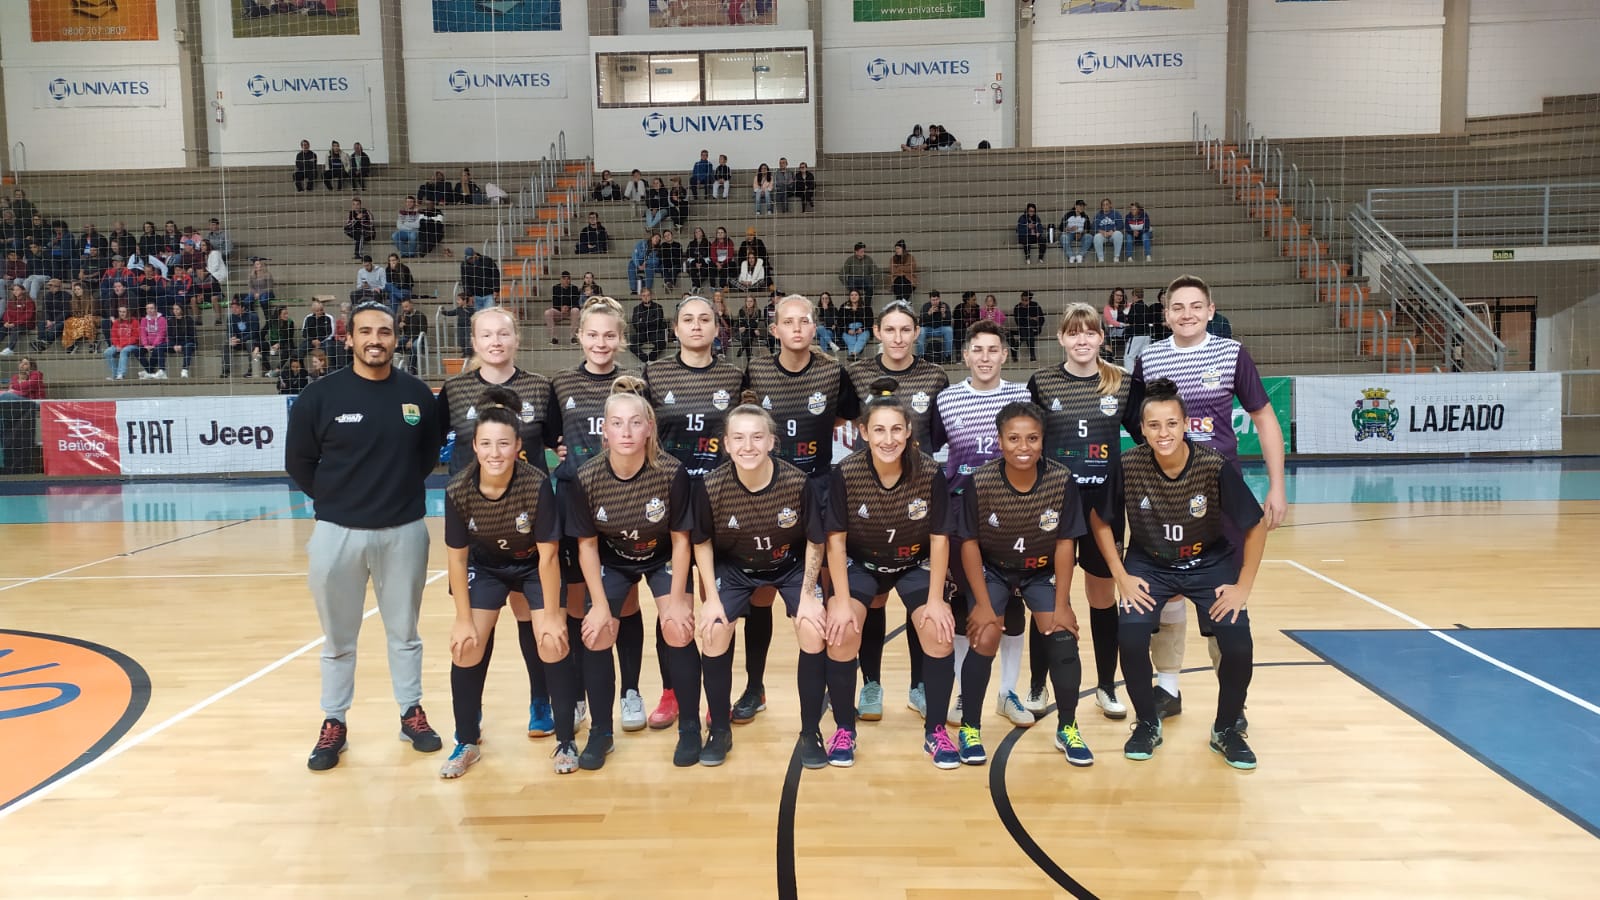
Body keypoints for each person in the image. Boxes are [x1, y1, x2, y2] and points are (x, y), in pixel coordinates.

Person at [286, 300, 445, 772]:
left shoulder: (417, 394)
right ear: (349, 338)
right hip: (337, 534)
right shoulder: (320, 396)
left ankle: (411, 712)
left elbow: (427, 455)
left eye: (384, 332)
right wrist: (339, 502)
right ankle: (334, 721)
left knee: (405, 632)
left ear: (395, 338)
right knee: (338, 638)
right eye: (366, 332)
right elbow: (299, 462)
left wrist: (392, 495)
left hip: (404, 531)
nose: (375, 340)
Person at [1128, 275, 1287, 726]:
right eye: (1178, 307)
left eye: (1196, 306)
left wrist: (1277, 485)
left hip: (1219, 490)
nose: (1187, 314)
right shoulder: (1150, 358)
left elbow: (1264, 418)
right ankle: (1167, 688)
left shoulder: (1231, 353)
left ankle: (1232, 704)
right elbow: (1137, 421)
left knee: (1223, 594)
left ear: (1211, 311)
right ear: (1165, 314)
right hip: (1164, 490)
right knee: (1168, 589)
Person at [1089, 378, 1265, 768]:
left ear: (1185, 424)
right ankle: (1146, 723)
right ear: (1141, 428)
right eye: (1153, 425)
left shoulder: (1212, 465)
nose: (1163, 433)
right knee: (1131, 638)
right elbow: (1099, 520)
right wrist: (1120, 575)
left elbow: (1255, 525)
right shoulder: (1129, 464)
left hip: (1208, 563)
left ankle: (1226, 729)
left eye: (1171, 423)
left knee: (1238, 644)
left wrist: (1242, 587)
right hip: (1149, 563)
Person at [732, 295, 861, 725]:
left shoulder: (832, 372)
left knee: (822, 587)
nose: (797, 328)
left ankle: (831, 688)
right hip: (766, 490)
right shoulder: (756, 371)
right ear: (775, 330)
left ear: (814, 326)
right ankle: (754, 687)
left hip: (817, 485)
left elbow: (847, 418)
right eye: (788, 322)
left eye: (804, 321)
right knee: (761, 593)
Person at [437, 382, 569, 778]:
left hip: (532, 565)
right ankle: (466, 741)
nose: (495, 453)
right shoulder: (459, 489)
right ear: (474, 446)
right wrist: (462, 619)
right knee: (465, 646)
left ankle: (565, 740)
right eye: (486, 444)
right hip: (487, 566)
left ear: (517, 446)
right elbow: (457, 559)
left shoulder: (535, 483)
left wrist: (553, 616)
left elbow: (549, 556)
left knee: (551, 641)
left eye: (503, 444)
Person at [565, 378, 696, 769]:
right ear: (604, 431)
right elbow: (587, 546)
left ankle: (690, 728)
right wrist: (599, 605)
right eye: (617, 423)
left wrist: (677, 600)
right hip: (614, 558)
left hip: (662, 555)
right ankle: (601, 733)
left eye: (635, 423)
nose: (626, 431)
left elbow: (682, 541)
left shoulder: (671, 472)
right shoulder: (586, 477)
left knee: (678, 628)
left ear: (649, 428)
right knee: (597, 632)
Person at [952, 400, 1091, 767]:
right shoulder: (980, 481)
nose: (1023, 446)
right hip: (994, 569)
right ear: (999, 441)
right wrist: (982, 605)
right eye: (1013, 438)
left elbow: (1065, 545)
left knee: (1062, 636)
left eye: (1032, 438)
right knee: (985, 634)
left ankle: (1068, 727)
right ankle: (970, 728)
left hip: (1040, 571)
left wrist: (1062, 605)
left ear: (1043, 440)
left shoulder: (1061, 479)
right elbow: (969, 544)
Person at [691, 404, 828, 767]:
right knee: (714, 630)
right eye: (738, 438)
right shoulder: (710, 486)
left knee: (812, 627)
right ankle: (719, 730)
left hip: (789, 565)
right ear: (726, 444)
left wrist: (809, 595)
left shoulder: (797, 482)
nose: (747, 446)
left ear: (771, 442)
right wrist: (711, 599)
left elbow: (816, 541)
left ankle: (810, 732)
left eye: (756, 437)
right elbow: (701, 542)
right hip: (735, 567)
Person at [820, 396, 954, 768]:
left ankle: (936, 732)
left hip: (913, 562)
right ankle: (844, 729)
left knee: (938, 631)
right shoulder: (846, 472)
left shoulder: (928, 471)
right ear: (864, 432)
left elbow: (940, 539)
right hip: (862, 563)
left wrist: (936, 600)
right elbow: (836, 540)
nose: (888, 439)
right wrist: (840, 601)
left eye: (896, 429)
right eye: (879, 430)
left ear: (909, 431)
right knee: (842, 631)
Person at [642, 296, 746, 729]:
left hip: (719, 502)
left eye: (705, 319)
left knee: (717, 603)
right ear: (676, 328)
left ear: (717, 328)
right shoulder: (654, 374)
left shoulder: (733, 377)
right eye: (688, 319)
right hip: (668, 501)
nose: (697, 325)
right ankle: (672, 692)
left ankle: (716, 696)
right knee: (674, 602)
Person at [1026, 303, 1133, 724]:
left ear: (1102, 337)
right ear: (1061, 338)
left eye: (1089, 332)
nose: (1082, 340)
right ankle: (1038, 684)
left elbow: (1151, 436)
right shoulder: (1043, 382)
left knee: (1102, 597)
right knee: (1047, 595)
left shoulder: (1121, 382)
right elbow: (1028, 440)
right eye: (1073, 333)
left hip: (1104, 507)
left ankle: (1106, 686)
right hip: (1053, 505)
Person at [845, 303, 950, 719]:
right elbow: (845, 422)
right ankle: (871, 684)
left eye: (906, 329)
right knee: (872, 599)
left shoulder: (934, 376)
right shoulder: (856, 373)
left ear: (917, 332)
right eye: (890, 329)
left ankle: (919, 685)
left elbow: (937, 434)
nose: (898, 337)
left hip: (917, 498)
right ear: (877, 332)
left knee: (916, 600)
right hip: (871, 496)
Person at [931, 320, 1034, 735]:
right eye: (978, 350)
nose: (985, 357)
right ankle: (961, 691)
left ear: (1004, 355)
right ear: (966, 355)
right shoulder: (947, 399)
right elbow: (932, 453)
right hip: (961, 514)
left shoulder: (1022, 396)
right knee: (962, 602)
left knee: (1012, 603)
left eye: (993, 350)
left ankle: (1008, 691)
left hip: (1013, 513)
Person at [549, 297, 637, 734]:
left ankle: (631, 692)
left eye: (609, 335)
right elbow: (548, 435)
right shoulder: (561, 383)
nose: (600, 343)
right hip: (574, 500)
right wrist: (559, 448)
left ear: (620, 339)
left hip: (624, 502)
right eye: (592, 334)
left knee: (627, 599)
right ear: (579, 336)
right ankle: (582, 694)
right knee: (577, 600)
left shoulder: (633, 385)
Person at [222, 298, 263, 378]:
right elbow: (229, 331)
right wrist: (232, 338)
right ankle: (226, 371)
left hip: (250, 341)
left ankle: (251, 370)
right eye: (232, 308)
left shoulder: (253, 316)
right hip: (237, 342)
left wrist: (241, 339)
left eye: (236, 307)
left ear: (243, 308)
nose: (234, 310)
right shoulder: (230, 318)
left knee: (249, 343)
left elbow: (254, 333)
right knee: (226, 344)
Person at [630, 289, 668, 362]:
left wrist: (642, 320)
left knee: (661, 343)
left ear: (651, 296)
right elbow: (635, 323)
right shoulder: (637, 308)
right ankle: (646, 360)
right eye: (643, 295)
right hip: (642, 333)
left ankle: (650, 359)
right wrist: (651, 320)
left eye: (648, 295)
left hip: (654, 333)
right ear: (640, 297)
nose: (646, 297)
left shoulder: (658, 307)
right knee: (632, 345)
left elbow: (658, 322)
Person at [546, 271, 583, 345]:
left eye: (568, 279)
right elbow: (555, 302)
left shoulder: (574, 288)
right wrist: (561, 308)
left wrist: (568, 307)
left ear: (570, 280)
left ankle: (573, 337)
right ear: (561, 279)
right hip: (559, 312)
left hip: (570, 312)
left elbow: (576, 302)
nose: (566, 280)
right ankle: (554, 338)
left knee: (576, 310)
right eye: (564, 279)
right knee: (548, 313)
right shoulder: (556, 288)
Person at [133, 301, 168, 380]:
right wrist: (146, 345)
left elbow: (161, 334)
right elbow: (143, 333)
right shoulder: (144, 320)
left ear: (156, 309)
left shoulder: (162, 319)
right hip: (147, 344)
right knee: (136, 351)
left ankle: (148, 372)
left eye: (151, 308)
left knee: (156, 350)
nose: (149, 310)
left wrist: (154, 345)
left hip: (159, 343)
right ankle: (150, 372)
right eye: (147, 308)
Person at [102, 305, 137, 380]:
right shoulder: (116, 322)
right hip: (119, 345)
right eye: (120, 312)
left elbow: (135, 337)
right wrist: (117, 345)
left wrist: (122, 345)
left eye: (124, 312)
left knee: (124, 351)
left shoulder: (134, 321)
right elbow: (113, 336)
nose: (122, 313)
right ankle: (114, 374)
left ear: (128, 312)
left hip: (131, 344)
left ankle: (121, 374)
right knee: (107, 352)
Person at [34, 278, 70, 350]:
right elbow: (45, 310)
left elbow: (66, 312)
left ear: (59, 287)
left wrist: (54, 322)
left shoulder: (67, 296)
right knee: (41, 323)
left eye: (53, 286)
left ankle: (43, 343)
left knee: (56, 328)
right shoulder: (47, 296)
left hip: (62, 319)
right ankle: (42, 342)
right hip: (50, 319)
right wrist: (48, 320)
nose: (50, 287)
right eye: (50, 286)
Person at [0, 284, 35, 355]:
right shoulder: (11, 301)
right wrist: (7, 322)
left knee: (16, 329)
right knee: (3, 329)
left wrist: (14, 323)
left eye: (17, 290)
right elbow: (7, 313)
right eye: (14, 290)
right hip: (12, 324)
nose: (15, 291)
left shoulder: (29, 302)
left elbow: (28, 316)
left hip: (25, 324)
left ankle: (10, 349)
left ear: (23, 291)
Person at [1012, 291, 1045, 363]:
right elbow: (1018, 322)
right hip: (1024, 328)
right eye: (1022, 300)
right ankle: (1032, 356)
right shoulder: (1017, 307)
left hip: (1035, 328)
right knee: (1029, 332)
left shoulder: (1035, 305)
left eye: (1026, 300)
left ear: (1030, 300)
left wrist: (1028, 320)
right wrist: (1031, 319)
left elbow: (1041, 319)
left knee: (1028, 329)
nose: (1024, 302)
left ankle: (1019, 342)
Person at [62, 289, 98, 355]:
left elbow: (94, 312)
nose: (76, 291)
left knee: (87, 319)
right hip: (79, 318)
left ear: (83, 290)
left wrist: (84, 315)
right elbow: (72, 313)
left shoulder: (91, 299)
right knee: (68, 321)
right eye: (75, 290)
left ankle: (92, 343)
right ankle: (71, 345)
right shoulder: (73, 301)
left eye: (78, 289)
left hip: (91, 317)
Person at [264, 305, 297, 375]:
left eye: (287, 313)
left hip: (285, 343)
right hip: (272, 343)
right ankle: (269, 369)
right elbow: (262, 333)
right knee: (256, 345)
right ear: (278, 315)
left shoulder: (290, 322)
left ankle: (277, 369)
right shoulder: (271, 322)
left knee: (289, 348)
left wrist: (278, 344)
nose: (286, 315)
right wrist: (270, 344)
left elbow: (289, 337)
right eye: (284, 314)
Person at [164, 302, 195, 378]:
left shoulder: (189, 320)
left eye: (177, 309)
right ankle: (162, 371)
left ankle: (185, 370)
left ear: (182, 310)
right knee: (160, 347)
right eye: (174, 309)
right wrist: (174, 345)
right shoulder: (170, 320)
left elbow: (191, 336)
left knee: (188, 346)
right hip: (175, 344)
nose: (175, 311)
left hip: (187, 343)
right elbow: (170, 336)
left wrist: (181, 345)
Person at [396, 299, 427, 373]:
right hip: (406, 338)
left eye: (406, 307)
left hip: (418, 338)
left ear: (411, 305)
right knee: (394, 345)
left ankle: (412, 368)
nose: (405, 309)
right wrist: (399, 327)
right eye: (403, 307)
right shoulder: (402, 317)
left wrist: (411, 340)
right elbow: (398, 332)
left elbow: (423, 331)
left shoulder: (420, 315)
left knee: (415, 346)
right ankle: (398, 367)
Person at [839, 290, 871, 361]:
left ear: (859, 296)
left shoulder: (866, 306)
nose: (854, 297)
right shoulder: (844, 306)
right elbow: (840, 321)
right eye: (852, 295)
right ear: (849, 297)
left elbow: (870, 321)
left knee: (862, 337)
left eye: (856, 295)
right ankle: (854, 354)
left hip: (862, 328)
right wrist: (847, 330)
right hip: (848, 328)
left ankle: (853, 354)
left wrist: (862, 329)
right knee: (850, 339)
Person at [1124, 287, 1152, 367]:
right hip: (1146, 335)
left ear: (1135, 296)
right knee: (1143, 358)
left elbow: (1130, 319)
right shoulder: (1146, 307)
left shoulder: (1134, 306)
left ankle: (1130, 374)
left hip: (1136, 334)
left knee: (1129, 357)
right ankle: (1144, 374)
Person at [1092, 198, 1126, 263]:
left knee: (1118, 234)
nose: (1105, 206)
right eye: (1103, 205)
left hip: (1112, 234)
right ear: (1102, 207)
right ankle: (1100, 259)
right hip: (1102, 235)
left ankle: (1116, 257)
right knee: (1097, 237)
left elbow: (1121, 225)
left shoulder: (1116, 214)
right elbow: (1094, 227)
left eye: (1107, 204)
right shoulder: (1098, 215)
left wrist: (1112, 231)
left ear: (1110, 205)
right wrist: (1102, 232)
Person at [1103, 287, 1128, 360]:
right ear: (1113, 296)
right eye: (1117, 295)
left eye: (1121, 296)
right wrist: (1122, 325)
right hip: (1113, 331)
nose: (1119, 297)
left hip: (1126, 331)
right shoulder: (1107, 308)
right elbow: (1110, 321)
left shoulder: (1126, 306)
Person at [685, 227, 712, 291]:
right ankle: (698, 286)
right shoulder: (691, 243)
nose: (697, 233)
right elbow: (688, 255)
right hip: (694, 262)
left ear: (702, 233)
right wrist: (696, 263)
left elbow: (709, 255)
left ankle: (695, 285)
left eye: (699, 231)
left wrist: (701, 263)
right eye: (696, 232)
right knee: (691, 268)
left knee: (706, 269)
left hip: (704, 262)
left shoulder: (707, 243)